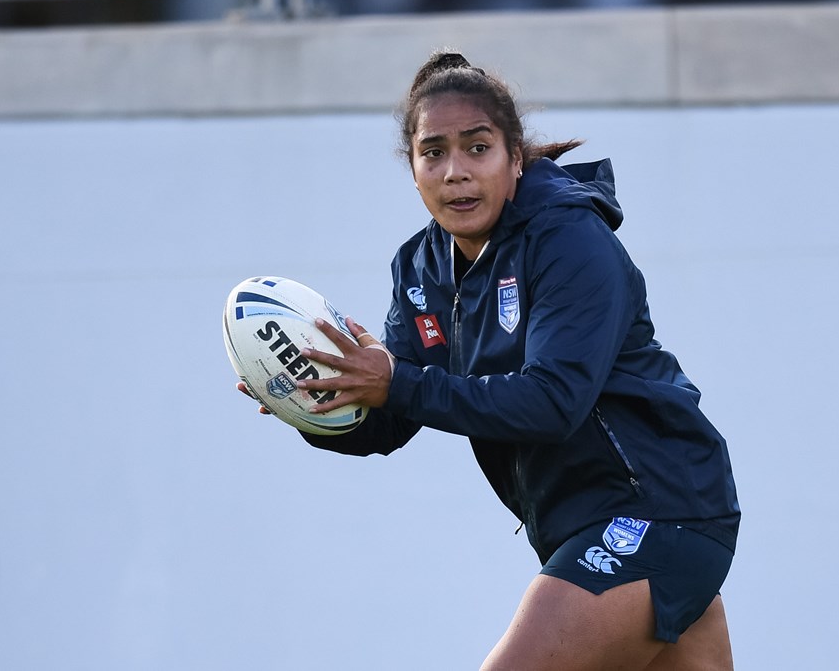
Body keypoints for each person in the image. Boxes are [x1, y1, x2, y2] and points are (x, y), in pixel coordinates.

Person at [241, 51, 741, 670]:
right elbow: (390, 422)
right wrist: (312, 396)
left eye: (477, 148)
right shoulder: (421, 268)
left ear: (515, 157)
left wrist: (395, 381)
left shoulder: (569, 238)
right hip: (581, 530)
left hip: (656, 514)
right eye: (433, 152)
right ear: (413, 170)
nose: (456, 172)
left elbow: (552, 402)